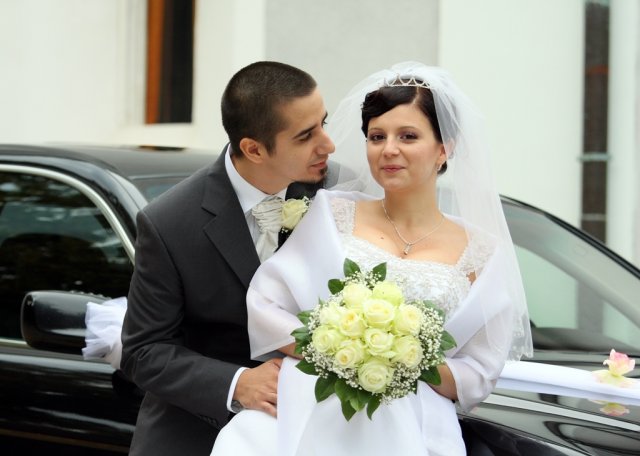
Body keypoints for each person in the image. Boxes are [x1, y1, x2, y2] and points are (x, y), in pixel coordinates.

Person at [211, 62, 533, 455]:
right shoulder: (331, 213)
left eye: (408, 136)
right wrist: (341, 347)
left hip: (416, 430)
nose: (389, 149)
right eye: (377, 136)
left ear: (444, 148)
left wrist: (402, 357)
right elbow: (266, 306)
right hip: (306, 412)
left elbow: (478, 373)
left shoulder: (482, 252)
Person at [119, 61, 339, 455]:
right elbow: (144, 351)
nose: (328, 145)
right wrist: (238, 384)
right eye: (306, 135)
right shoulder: (169, 222)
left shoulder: (338, 193)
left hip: (325, 430)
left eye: (323, 124)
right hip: (199, 434)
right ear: (254, 149)